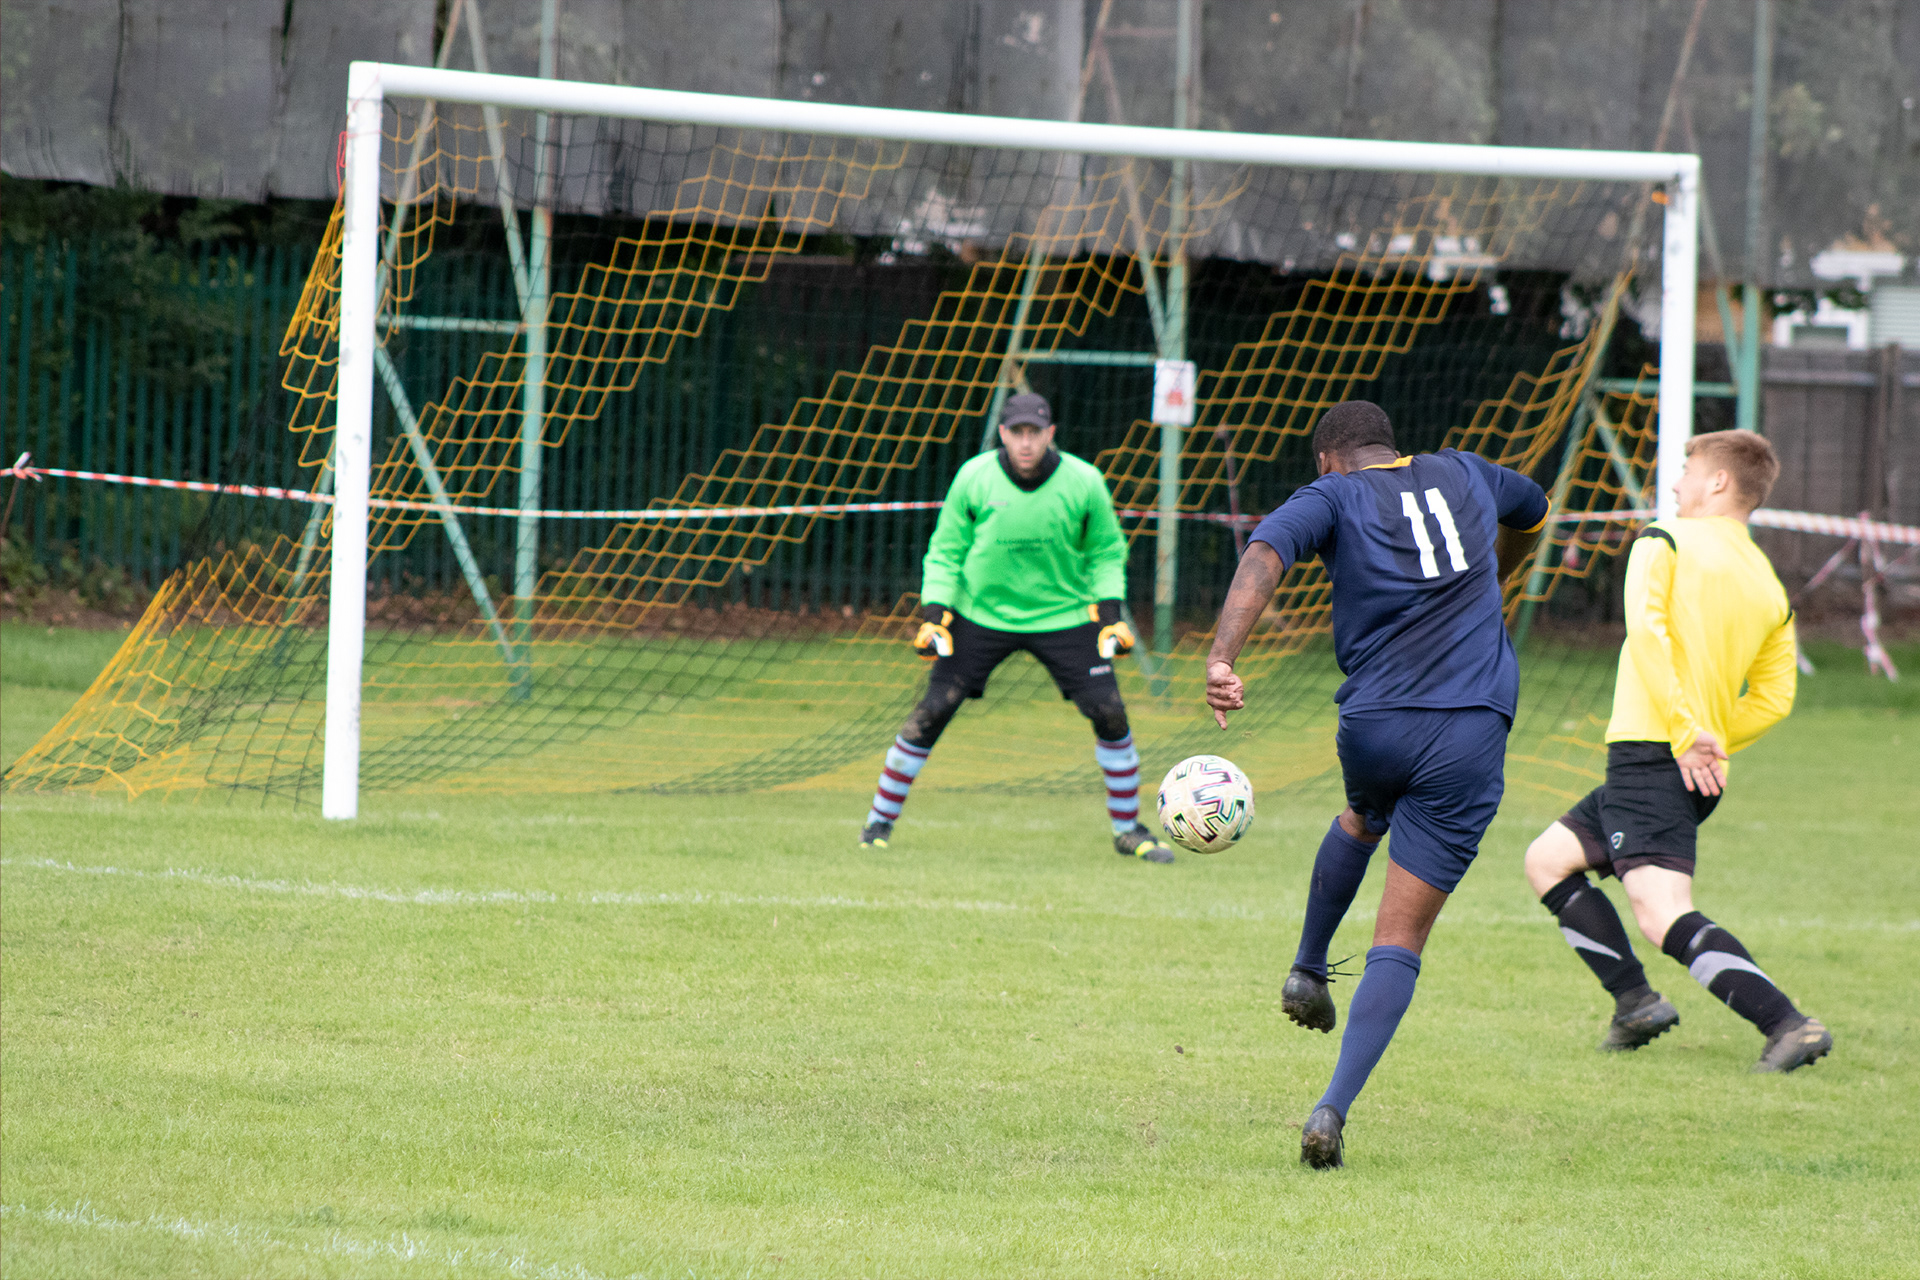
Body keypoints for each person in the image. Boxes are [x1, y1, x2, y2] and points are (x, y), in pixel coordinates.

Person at [1205, 399, 1548, 1169]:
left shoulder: (1330, 494)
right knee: (1398, 939)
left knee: (1363, 815)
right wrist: (1499, 568)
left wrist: (1223, 656)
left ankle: (1307, 964)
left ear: (1328, 458)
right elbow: (1533, 508)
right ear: (1390, 446)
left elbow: (1266, 553)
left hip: (1375, 724)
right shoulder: (1465, 471)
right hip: (1470, 729)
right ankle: (1332, 1106)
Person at [1522, 430, 1827, 1073]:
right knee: (1547, 860)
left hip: (1656, 754)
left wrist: (1689, 733)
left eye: (1687, 468)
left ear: (1718, 481)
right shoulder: (1769, 585)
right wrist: (1713, 739)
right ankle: (1635, 1003)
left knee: (1662, 914)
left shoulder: (1664, 541)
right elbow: (1775, 698)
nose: (1676, 481)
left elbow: (1647, 634)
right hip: (1690, 763)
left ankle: (1788, 1024)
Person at [858, 391, 1177, 863]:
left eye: (1035, 433)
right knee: (931, 711)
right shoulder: (974, 477)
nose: (1026, 443)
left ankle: (1128, 830)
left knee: (1110, 712)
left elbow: (1107, 552)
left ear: (1050, 434)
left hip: (1065, 616)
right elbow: (945, 551)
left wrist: (1111, 620)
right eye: (1017, 433)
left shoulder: (1084, 481)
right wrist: (934, 617)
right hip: (980, 614)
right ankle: (877, 824)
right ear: (1003, 435)